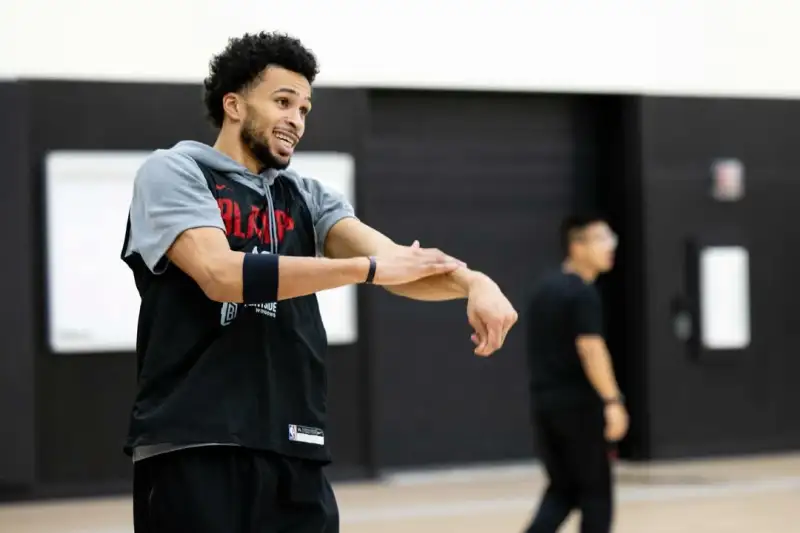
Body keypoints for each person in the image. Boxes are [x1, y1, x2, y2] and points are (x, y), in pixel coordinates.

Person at [120, 31, 518, 533]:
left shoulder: (307, 196)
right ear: (234, 105)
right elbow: (220, 275)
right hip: (196, 441)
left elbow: (395, 261)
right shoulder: (175, 171)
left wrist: (474, 282)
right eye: (283, 102)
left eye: (305, 109)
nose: (296, 119)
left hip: (294, 443)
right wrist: (363, 270)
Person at [523, 214, 628, 533]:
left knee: (563, 490)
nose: (610, 247)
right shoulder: (582, 293)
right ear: (577, 245)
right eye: (601, 239)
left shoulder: (543, 290)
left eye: (611, 239)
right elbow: (591, 349)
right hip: (579, 408)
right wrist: (612, 401)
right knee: (597, 495)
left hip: (545, 405)